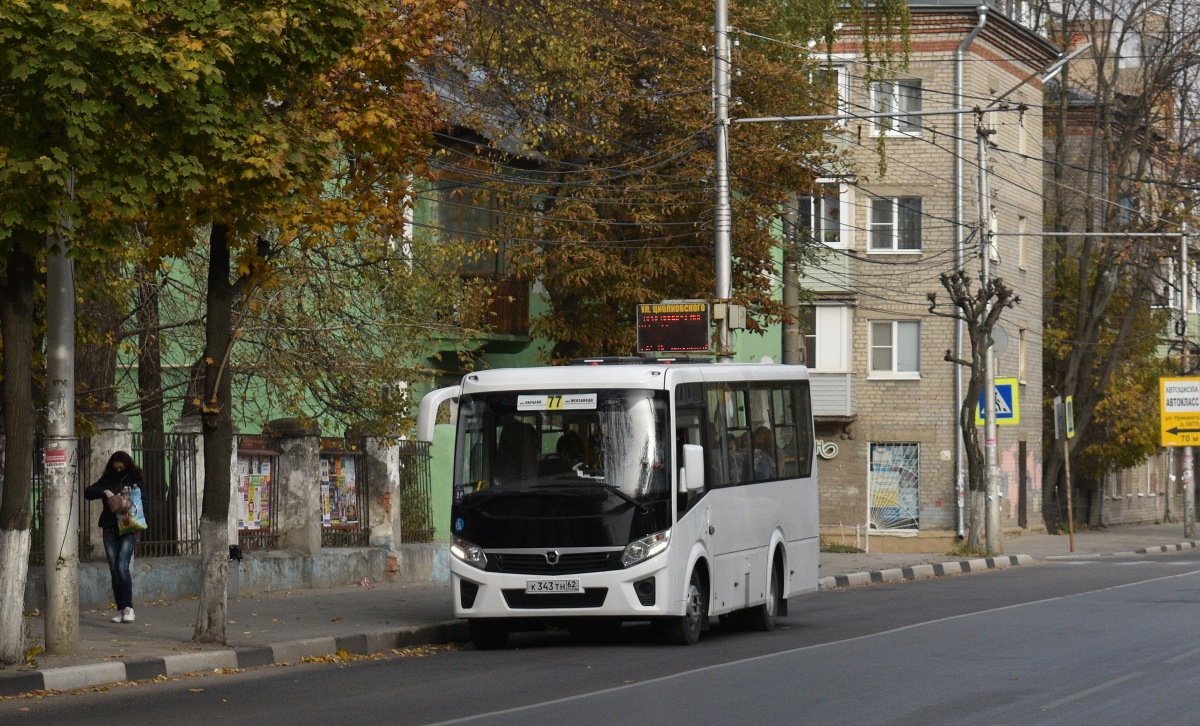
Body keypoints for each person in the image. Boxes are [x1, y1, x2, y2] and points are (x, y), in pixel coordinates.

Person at [84, 452, 144, 624]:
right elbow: (88, 492)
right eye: (115, 467)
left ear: (127, 467)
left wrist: (133, 510)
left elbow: (144, 502)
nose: (118, 470)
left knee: (122, 565)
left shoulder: (135, 480)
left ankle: (129, 608)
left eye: (121, 468)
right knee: (114, 569)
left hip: (129, 527)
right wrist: (105, 491)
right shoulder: (107, 480)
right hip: (110, 527)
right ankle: (120, 608)